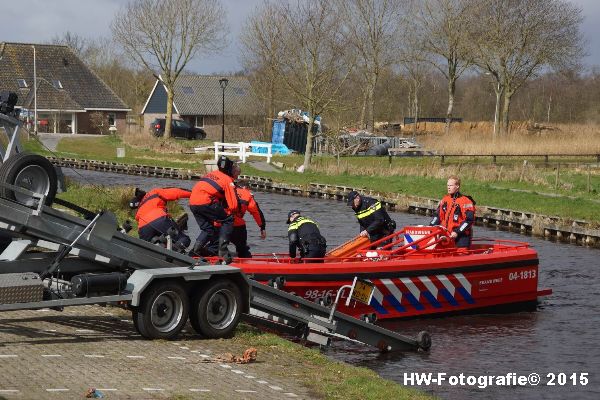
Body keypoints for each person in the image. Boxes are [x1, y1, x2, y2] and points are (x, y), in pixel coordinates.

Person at [189, 156, 240, 263]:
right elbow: (233, 205)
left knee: (208, 229)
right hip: (206, 201)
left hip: (193, 203)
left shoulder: (210, 174)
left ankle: (195, 250)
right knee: (228, 219)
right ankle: (222, 250)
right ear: (229, 169)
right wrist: (231, 212)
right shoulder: (227, 180)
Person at [132, 187, 191, 252]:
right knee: (184, 239)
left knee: (146, 249)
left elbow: (138, 218)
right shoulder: (155, 191)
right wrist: (192, 194)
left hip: (143, 227)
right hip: (159, 218)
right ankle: (173, 254)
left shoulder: (140, 205)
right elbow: (176, 192)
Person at [430, 175, 476, 248]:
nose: (448, 187)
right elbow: (438, 216)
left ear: (457, 186)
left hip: (461, 236)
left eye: (451, 185)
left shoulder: (466, 201)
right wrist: (430, 227)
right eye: (447, 185)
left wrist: (457, 232)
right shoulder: (445, 200)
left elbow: (469, 220)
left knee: (460, 255)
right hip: (446, 235)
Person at [230, 185, 266, 258]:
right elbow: (256, 212)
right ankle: (244, 258)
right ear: (246, 188)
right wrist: (262, 227)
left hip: (218, 222)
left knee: (216, 243)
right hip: (237, 224)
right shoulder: (247, 194)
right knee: (242, 248)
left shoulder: (226, 189)